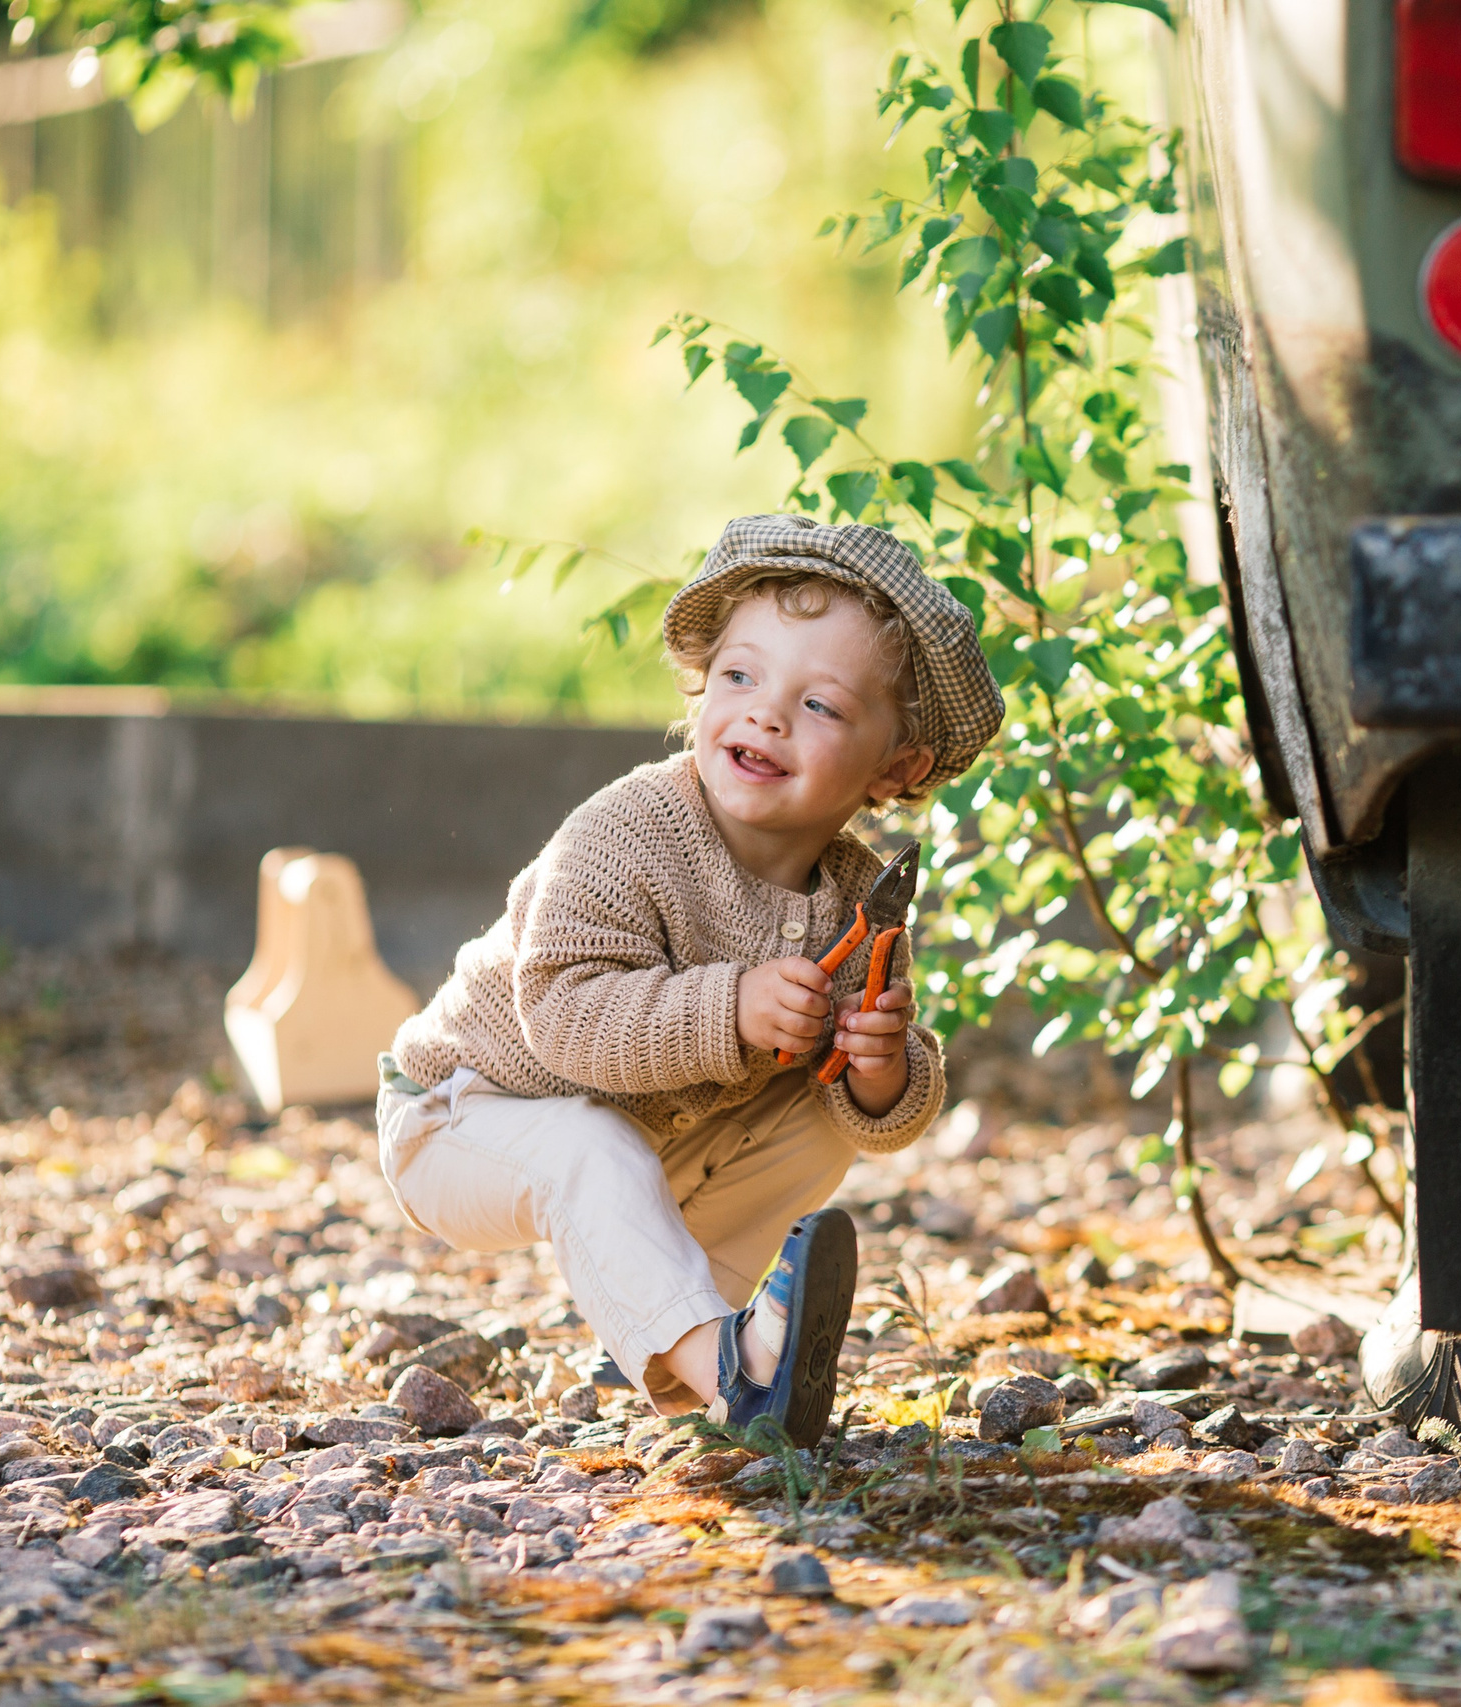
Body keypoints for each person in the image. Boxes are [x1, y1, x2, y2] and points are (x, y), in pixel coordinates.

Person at [373, 514, 1001, 1443]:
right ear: (703, 684)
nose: (766, 713)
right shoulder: (628, 829)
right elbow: (562, 1017)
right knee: (587, 1146)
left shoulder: (862, 902)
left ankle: (677, 1337)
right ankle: (736, 1376)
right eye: (740, 676)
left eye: (820, 705)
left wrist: (881, 1069)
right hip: (463, 1110)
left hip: (644, 1133)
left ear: (895, 767)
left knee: (819, 1125)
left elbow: (882, 1121)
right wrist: (734, 1003)